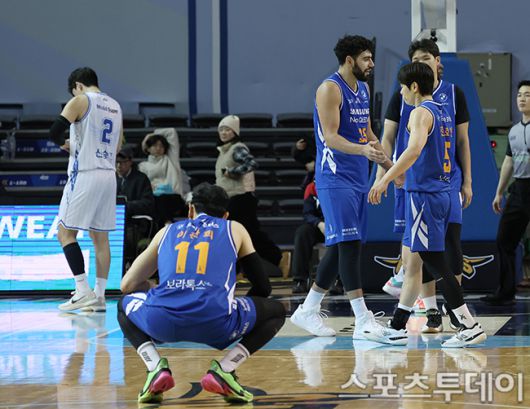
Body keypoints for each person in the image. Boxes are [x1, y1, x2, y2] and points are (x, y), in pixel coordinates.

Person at [118, 183, 286, 404]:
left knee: (123, 304)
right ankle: (225, 368)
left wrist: (153, 288)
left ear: (190, 209)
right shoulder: (234, 228)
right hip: (216, 324)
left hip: (161, 321)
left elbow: (127, 285)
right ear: (225, 215)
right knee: (277, 311)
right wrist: (233, 307)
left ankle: (155, 367)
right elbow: (263, 287)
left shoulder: (166, 231)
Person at [368, 62, 486, 348]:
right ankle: (397, 326)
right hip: (443, 192)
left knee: (434, 263)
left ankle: (469, 325)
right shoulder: (442, 111)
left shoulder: (420, 112)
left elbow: (414, 149)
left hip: (426, 197)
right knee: (416, 262)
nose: (401, 93)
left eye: (402, 87)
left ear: (414, 87)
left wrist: (385, 179)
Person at [290, 35, 393, 339]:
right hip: (334, 178)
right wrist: (363, 150)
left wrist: (391, 168)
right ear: (350, 60)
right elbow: (331, 137)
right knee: (348, 246)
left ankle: (308, 310)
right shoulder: (329, 89)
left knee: (342, 246)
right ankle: (362, 319)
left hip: (358, 176)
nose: (372, 64)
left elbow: (368, 132)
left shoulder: (363, 88)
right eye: (366, 58)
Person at [49, 67, 123, 312]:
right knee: (100, 238)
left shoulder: (81, 100)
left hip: (85, 173)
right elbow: (118, 145)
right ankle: (99, 297)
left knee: (65, 233)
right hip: (108, 175)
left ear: (78, 86)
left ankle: (82, 290)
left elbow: (54, 131)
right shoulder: (115, 106)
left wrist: (65, 145)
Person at [481, 80, 530, 305]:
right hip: (519, 190)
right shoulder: (514, 131)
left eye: (527, 95)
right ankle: (505, 292)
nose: (522, 99)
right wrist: (499, 193)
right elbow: (509, 162)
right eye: (519, 95)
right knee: (504, 240)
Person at [215, 115, 284, 272]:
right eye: (221, 129)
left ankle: (277, 258)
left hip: (241, 198)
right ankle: (274, 259)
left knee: (245, 233)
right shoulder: (224, 151)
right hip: (231, 198)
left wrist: (232, 172)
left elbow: (251, 163)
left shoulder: (237, 148)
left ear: (235, 132)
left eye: (227, 129)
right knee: (244, 234)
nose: (223, 133)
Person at [139, 128, 189, 227]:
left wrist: (152, 135)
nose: (158, 148)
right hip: (153, 198)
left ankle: (167, 224)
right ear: (147, 148)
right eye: (155, 145)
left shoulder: (171, 160)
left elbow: (172, 132)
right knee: (154, 201)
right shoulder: (142, 166)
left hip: (173, 197)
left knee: (161, 200)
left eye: (161, 146)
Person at [116, 147, 155, 266]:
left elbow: (148, 203)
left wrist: (127, 206)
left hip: (135, 224)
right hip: (113, 222)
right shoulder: (110, 178)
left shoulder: (141, 179)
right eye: (116, 162)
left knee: (127, 237)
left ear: (130, 162)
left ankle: (128, 266)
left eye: (122, 162)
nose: (119, 166)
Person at [291, 180, 325, 293]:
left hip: (338, 224)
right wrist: (319, 223)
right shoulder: (312, 187)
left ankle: (338, 281)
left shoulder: (341, 183)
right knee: (302, 233)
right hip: (319, 226)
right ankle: (300, 280)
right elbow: (307, 213)